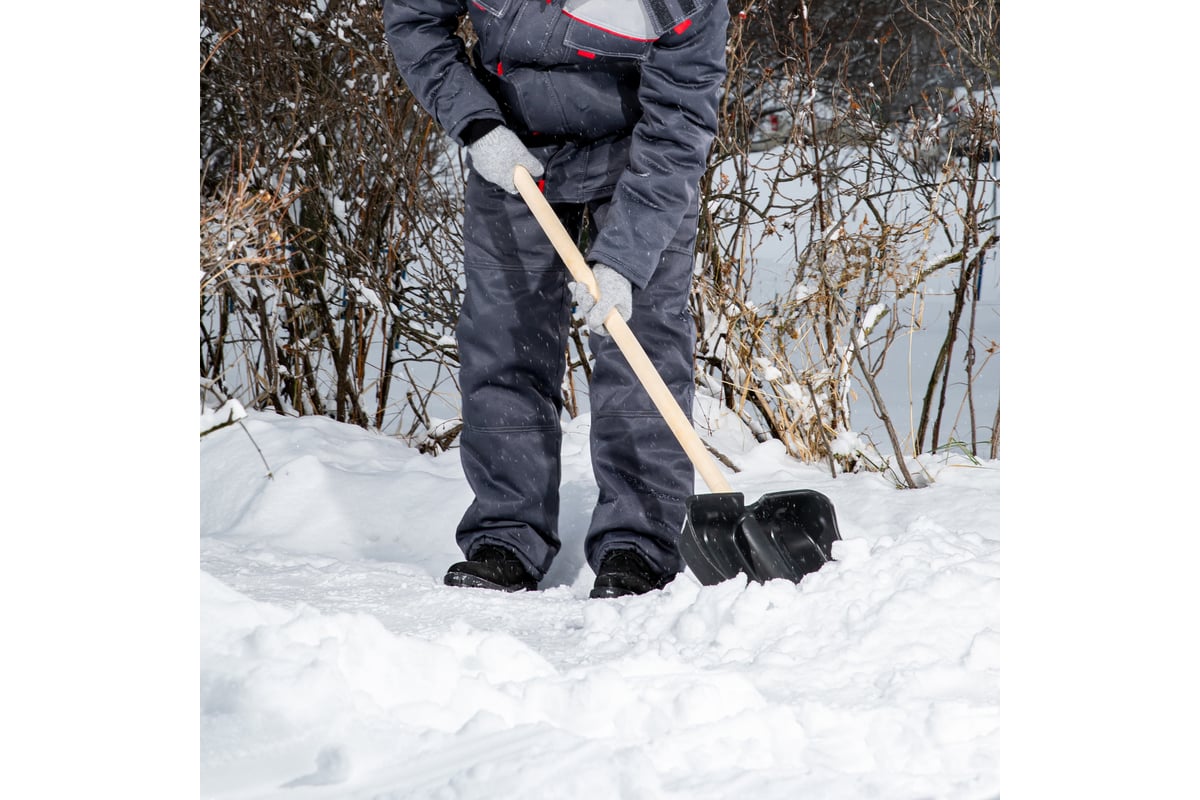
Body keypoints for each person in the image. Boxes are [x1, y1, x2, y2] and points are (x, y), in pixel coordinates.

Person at [383, 0, 729, 598]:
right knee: (504, 340)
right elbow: (413, 18)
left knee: (642, 339)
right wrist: (476, 124)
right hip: (511, 144)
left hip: (638, 157)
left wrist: (624, 259)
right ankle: (507, 533)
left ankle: (638, 544)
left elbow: (679, 121)